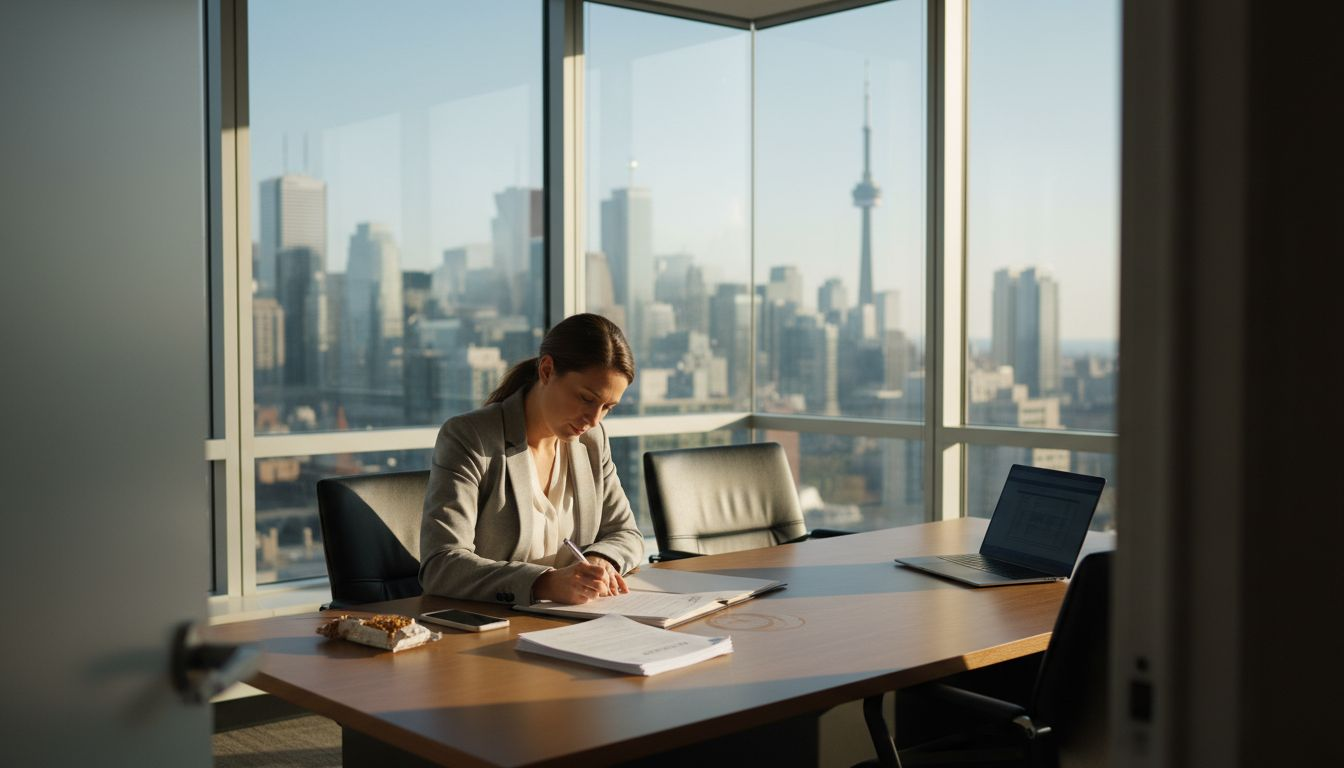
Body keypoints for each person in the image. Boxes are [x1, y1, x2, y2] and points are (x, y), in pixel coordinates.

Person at [419, 313, 644, 606]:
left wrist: (599, 560)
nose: (593, 419)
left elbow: (626, 533)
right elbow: (441, 566)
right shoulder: (471, 437)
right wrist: (544, 583)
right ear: (547, 370)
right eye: (587, 399)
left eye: (607, 408)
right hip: (497, 628)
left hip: (577, 622)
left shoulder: (591, 441)